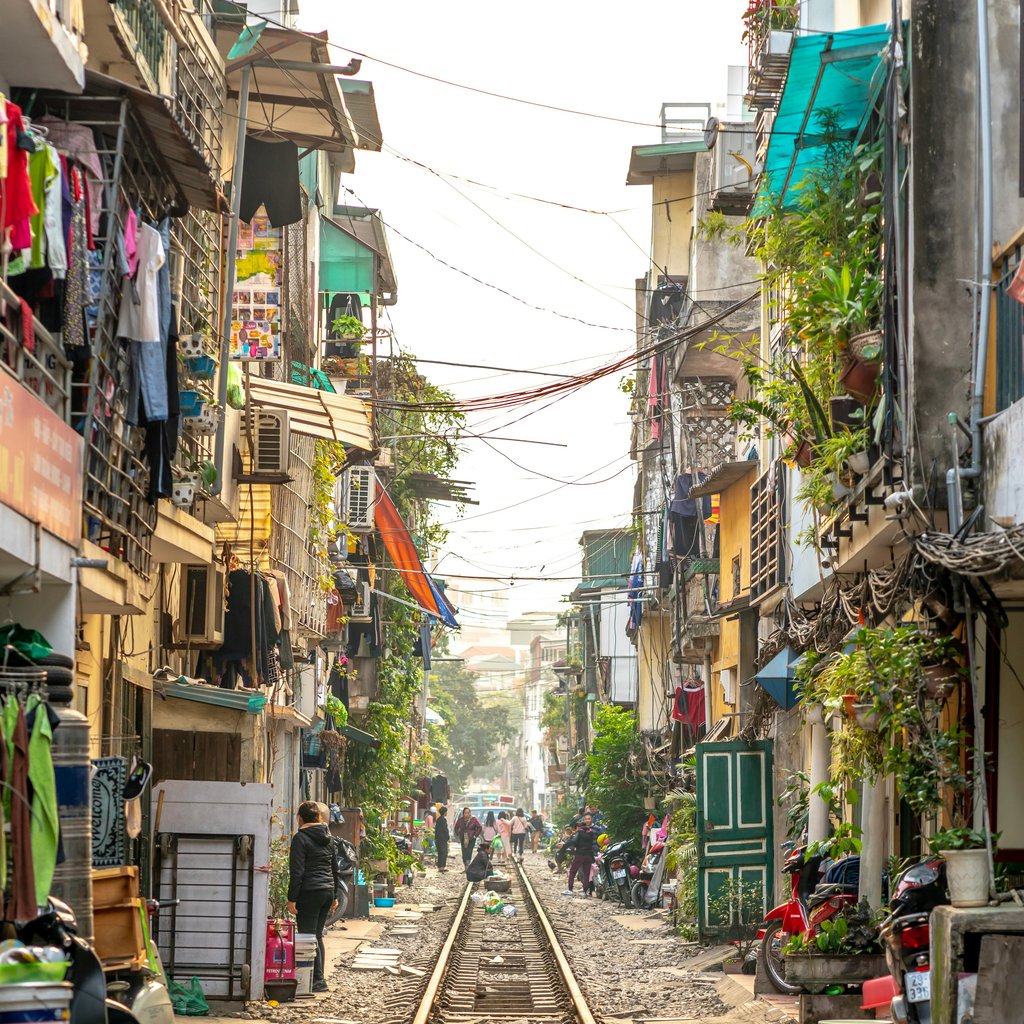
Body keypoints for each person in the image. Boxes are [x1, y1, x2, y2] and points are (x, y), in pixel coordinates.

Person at [287, 801, 340, 992]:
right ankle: (318, 979)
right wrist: (334, 895)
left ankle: (316, 981)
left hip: (309, 893)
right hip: (326, 891)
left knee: (308, 937)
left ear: (300, 818)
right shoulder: (329, 838)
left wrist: (292, 898)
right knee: (317, 936)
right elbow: (335, 869)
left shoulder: (301, 838)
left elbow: (297, 872)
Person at [564, 811, 599, 897]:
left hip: (579, 854)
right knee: (586, 873)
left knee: (572, 871)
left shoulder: (579, 833)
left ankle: (570, 889)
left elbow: (574, 842)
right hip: (588, 855)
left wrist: (569, 845)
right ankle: (584, 891)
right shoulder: (591, 832)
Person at [435, 805, 450, 872]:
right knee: (444, 853)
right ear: (444, 812)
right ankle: (442, 867)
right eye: (446, 812)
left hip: (438, 838)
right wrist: (448, 837)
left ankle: (440, 867)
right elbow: (445, 830)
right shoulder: (443, 820)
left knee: (440, 852)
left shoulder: (438, 819)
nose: (447, 813)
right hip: (443, 839)